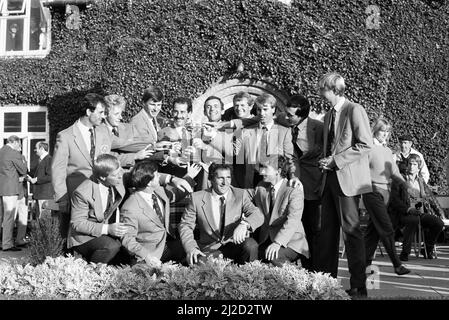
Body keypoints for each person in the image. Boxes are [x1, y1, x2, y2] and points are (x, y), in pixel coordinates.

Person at [316, 72, 372, 298]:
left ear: (334, 89)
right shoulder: (329, 114)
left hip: (347, 181)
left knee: (351, 233)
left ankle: (359, 286)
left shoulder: (354, 109)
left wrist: (335, 160)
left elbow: (365, 144)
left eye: (323, 89)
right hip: (328, 179)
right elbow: (330, 146)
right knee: (327, 233)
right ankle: (326, 284)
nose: (320, 93)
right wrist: (324, 159)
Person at [179, 163, 264, 265]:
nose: (225, 182)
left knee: (251, 245)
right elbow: (185, 225)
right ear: (211, 179)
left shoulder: (240, 194)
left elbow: (257, 214)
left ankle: (251, 276)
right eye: (220, 178)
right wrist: (191, 248)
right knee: (200, 264)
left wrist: (245, 225)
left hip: (234, 245)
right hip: (210, 249)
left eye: (228, 177)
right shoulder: (197, 198)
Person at [51, 93, 111, 238]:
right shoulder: (65, 136)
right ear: (88, 112)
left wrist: (139, 154)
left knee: (95, 235)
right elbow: (58, 169)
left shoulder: (104, 132)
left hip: (99, 192)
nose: (104, 116)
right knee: (69, 235)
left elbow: (118, 150)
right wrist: (62, 198)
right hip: (74, 195)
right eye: (101, 112)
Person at [121, 161, 202, 265]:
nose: (160, 177)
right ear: (149, 182)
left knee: (195, 255)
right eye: (157, 175)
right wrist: (146, 256)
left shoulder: (158, 191)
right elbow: (127, 239)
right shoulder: (130, 207)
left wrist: (189, 176)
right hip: (149, 252)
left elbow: (176, 193)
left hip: (168, 245)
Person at [276, 94, 323, 271]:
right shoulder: (283, 119)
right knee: (293, 227)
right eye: (285, 113)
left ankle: (314, 269)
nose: (286, 117)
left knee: (313, 230)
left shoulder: (318, 128)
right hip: (291, 183)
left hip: (312, 184)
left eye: (291, 115)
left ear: (302, 115)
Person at [362, 118, 410, 275]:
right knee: (386, 228)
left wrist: (405, 185)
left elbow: (395, 172)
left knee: (373, 232)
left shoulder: (388, 151)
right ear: (376, 130)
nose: (385, 134)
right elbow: (359, 169)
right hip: (372, 191)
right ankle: (397, 265)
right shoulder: (367, 147)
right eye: (383, 130)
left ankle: (363, 265)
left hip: (386, 193)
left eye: (388, 131)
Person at [248, 155, 309, 266]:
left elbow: (293, 221)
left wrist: (277, 242)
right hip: (266, 239)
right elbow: (245, 196)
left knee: (273, 256)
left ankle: (294, 279)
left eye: (266, 168)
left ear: (278, 171)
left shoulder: (293, 190)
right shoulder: (261, 187)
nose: (261, 172)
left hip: (291, 241)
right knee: (249, 253)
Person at [68, 154, 128, 264]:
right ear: (102, 177)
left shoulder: (117, 177)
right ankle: (92, 273)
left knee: (126, 248)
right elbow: (77, 224)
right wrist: (107, 229)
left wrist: (168, 178)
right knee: (111, 247)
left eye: (120, 172)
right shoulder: (82, 192)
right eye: (115, 175)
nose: (120, 176)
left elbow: (139, 175)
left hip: (107, 232)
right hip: (85, 237)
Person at [231, 93, 299, 188]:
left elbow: (290, 158)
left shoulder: (284, 132)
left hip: (275, 180)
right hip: (253, 179)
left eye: (265, 109)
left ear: (273, 109)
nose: (262, 113)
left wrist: (293, 175)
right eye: (259, 109)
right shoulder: (246, 132)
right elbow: (233, 153)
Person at [389, 154, 445, 261]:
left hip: (420, 213)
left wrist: (441, 214)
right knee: (412, 220)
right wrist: (408, 209)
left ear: (419, 167)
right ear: (406, 165)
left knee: (438, 223)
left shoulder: (420, 181)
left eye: (414, 164)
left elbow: (431, 199)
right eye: (409, 163)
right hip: (403, 213)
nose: (411, 166)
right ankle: (405, 252)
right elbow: (394, 200)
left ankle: (427, 248)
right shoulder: (399, 180)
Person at [102, 94, 156, 167]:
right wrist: (135, 156)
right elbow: (106, 160)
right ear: (105, 114)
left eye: (121, 113)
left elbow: (141, 140)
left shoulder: (125, 127)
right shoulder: (101, 132)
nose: (120, 117)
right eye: (116, 114)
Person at [0, 135, 27, 251]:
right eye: (19, 144)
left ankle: (4, 242)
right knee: (9, 217)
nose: (19, 147)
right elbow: (23, 170)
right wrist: (23, 161)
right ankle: (7, 244)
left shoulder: (1, 151)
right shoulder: (13, 153)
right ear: (14, 142)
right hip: (11, 189)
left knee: (3, 216)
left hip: (2, 188)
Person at [28, 141, 54, 219]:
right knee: (41, 218)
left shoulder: (49, 160)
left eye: (36, 148)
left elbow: (50, 176)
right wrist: (27, 173)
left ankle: (45, 232)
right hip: (40, 194)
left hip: (45, 194)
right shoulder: (41, 160)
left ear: (42, 148)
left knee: (44, 218)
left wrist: (36, 179)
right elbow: (38, 175)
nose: (35, 150)